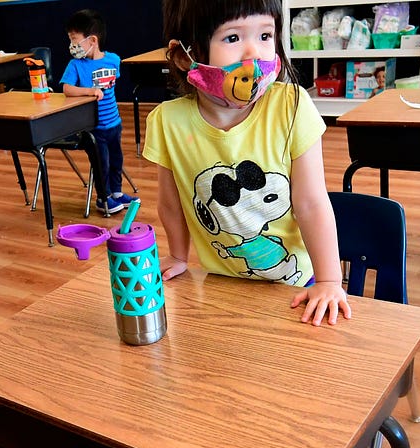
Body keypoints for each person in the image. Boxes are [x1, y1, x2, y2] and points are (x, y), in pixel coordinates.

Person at [146, 0, 351, 326]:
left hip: (295, 286)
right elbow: (170, 204)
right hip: (223, 289)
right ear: (185, 56)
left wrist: (328, 281)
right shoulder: (166, 122)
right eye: (232, 38)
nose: (254, 53)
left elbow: (311, 203)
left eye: (266, 35)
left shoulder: (292, 106)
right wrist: (178, 255)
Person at [62, 8, 137, 214]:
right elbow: (67, 89)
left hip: (114, 123)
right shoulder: (75, 65)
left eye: (75, 40)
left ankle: (117, 194)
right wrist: (89, 91)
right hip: (94, 128)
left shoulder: (113, 60)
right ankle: (103, 199)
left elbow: (112, 85)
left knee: (116, 161)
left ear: (92, 40)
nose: (72, 45)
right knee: (101, 165)